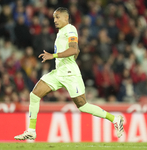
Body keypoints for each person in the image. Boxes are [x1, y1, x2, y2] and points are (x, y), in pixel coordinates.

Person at [14, 7, 124, 140]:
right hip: (59, 72)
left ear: (66, 18)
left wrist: (53, 55)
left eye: (58, 17)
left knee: (83, 106)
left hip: (70, 73)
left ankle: (115, 119)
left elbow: (73, 50)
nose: (55, 20)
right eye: (54, 17)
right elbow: (75, 51)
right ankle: (31, 130)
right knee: (34, 94)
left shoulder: (70, 29)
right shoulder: (61, 32)